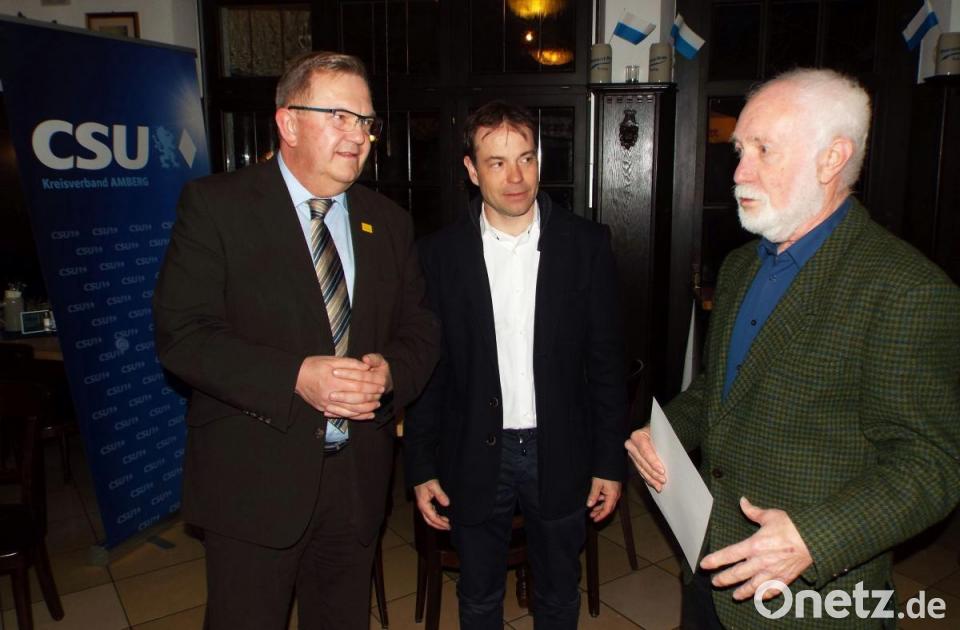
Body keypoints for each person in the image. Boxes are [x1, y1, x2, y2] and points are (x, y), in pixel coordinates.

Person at [626, 68, 960, 628]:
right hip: (708, 560)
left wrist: (813, 537)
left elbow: (933, 464)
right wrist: (663, 435)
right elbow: (718, 392)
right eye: (740, 150)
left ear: (832, 159)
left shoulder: (906, 289)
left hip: (811, 597)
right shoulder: (740, 266)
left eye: (764, 150)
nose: (739, 172)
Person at [153, 51, 439, 630]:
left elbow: (421, 328)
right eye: (340, 116)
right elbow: (182, 334)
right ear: (288, 122)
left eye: (366, 121)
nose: (358, 135)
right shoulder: (217, 206)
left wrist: (390, 373)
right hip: (253, 479)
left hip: (356, 480)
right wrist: (295, 377)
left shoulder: (388, 221)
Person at [404, 101, 628, 629]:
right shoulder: (438, 255)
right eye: (497, 162)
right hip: (474, 448)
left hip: (560, 447)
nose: (516, 177)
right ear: (471, 169)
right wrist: (421, 464)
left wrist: (609, 461)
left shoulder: (585, 245)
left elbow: (606, 363)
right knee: (479, 596)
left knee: (559, 592)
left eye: (526, 158)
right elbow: (429, 369)